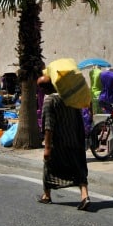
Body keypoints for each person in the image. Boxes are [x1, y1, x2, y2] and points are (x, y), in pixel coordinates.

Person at [37, 75, 90, 211]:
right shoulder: (70, 98)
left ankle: (46, 195)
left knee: (48, 167)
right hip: (74, 140)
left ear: (44, 89)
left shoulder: (49, 101)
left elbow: (48, 126)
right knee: (78, 168)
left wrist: (47, 148)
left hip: (58, 144)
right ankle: (84, 195)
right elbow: (79, 119)